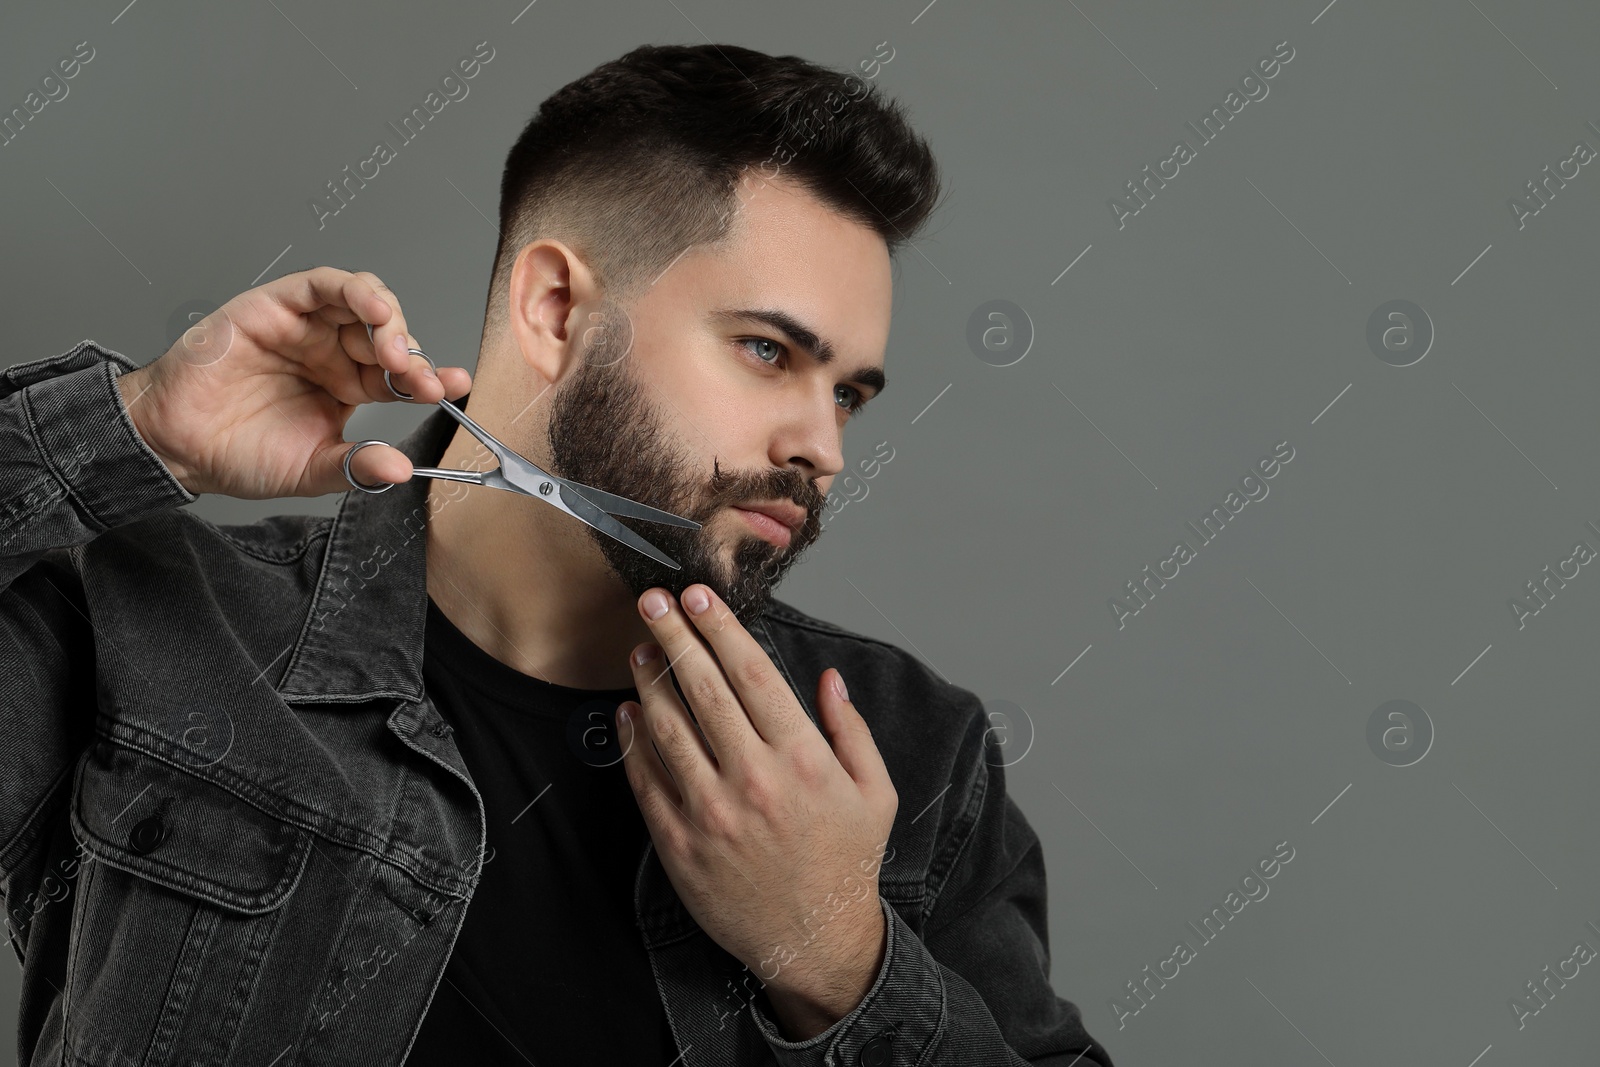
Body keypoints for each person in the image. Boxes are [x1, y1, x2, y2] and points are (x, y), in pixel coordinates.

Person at [0, 42, 1113, 1067]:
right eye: (768, 350)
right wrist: (137, 425)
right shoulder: (156, 633)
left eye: (849, 395)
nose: (819, 447)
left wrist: (842, 961)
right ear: (553, 308)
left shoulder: (907, 756)